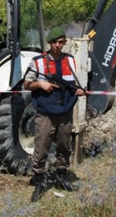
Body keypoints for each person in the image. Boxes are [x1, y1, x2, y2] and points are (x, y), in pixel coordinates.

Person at [23, 26, 86, 202]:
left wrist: (79, 92)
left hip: (65, 111)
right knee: (41, 147)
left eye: (61, 42)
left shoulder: (70, 61)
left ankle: (60, 176)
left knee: (64, 146)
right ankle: (39, 180)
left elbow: (73, 85)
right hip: (45, 113)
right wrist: (40, 85)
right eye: (55, 42)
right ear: (49, 43)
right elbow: (26, 85)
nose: (58, 45)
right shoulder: (39, 62)